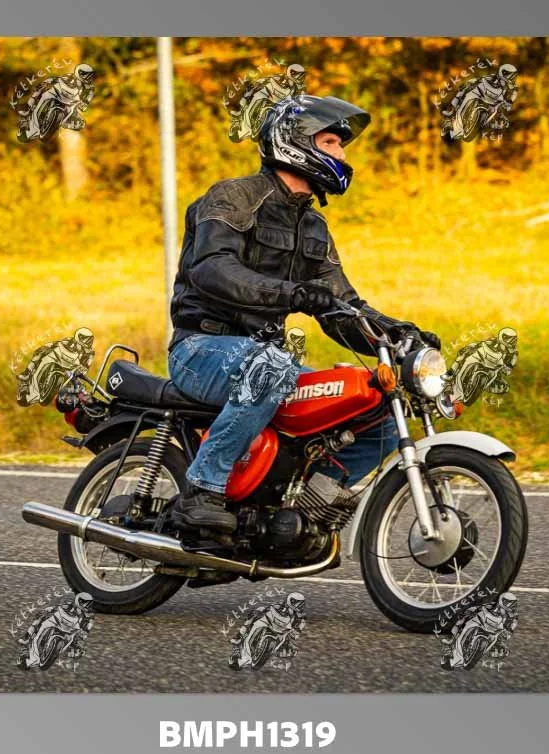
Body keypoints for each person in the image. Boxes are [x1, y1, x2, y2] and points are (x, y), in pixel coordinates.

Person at [166, 93, 441, 537]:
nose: (342, 155)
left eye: (341, 146)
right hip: (201, 349)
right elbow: (212, 270)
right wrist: (293, 294)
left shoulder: (313, 226)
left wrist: (399, 335)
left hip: (265, 358)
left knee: (375, 406)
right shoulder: (233, 197)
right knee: (272, 367)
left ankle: (303, 508)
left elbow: (341, 306)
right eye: (331, 142)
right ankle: (202, 489)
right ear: (294, 141)